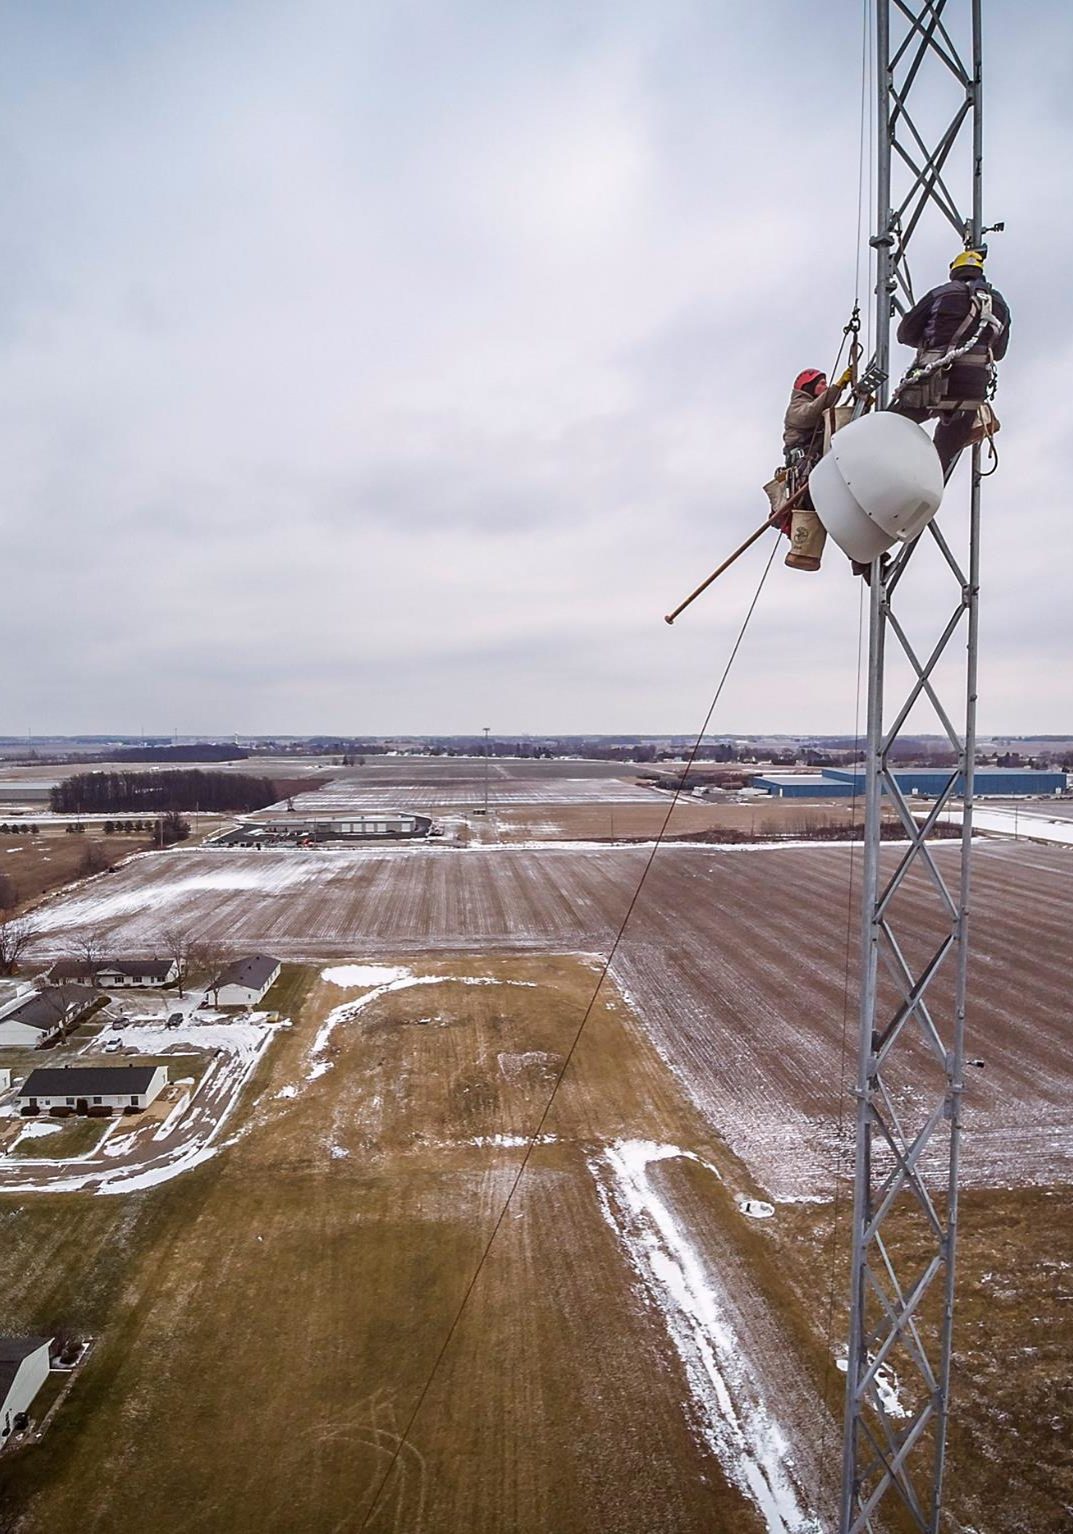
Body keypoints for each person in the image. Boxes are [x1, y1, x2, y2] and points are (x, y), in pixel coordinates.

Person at [889, 249, 1010, 476]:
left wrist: (931, 344)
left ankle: (883, 477)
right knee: (944, 452)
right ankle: (923, 493)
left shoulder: (941, 294)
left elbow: (905, 333)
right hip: (973, 388)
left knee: (890, 426)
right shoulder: (999, 304)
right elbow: (1000, 351)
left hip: (933, 378)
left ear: (955, 272)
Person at [779, 366, 852, 571]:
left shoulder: (819, 409)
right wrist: (839, 387)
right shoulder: (797, 408)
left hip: (818, 467)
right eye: (820, 383)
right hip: (804, 469)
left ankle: (862, 562)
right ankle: (802, 552)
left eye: (826, 383)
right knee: (815, 509)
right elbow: (810, 414)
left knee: (839, 510)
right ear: (808, 387)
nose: (824, 386)